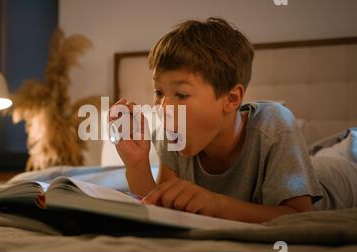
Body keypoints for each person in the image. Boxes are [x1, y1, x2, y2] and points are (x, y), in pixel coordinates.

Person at [109, 17, 357, 223]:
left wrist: (214, 203)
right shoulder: (172, 132)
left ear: (231, 99)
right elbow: (161, 207)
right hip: (302, 165)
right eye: (159, 92)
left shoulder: (274, 124)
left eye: (181, 94)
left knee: (344, 150)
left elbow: (299, 217)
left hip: (339, 176)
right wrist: (138, 165)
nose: (163, 107)